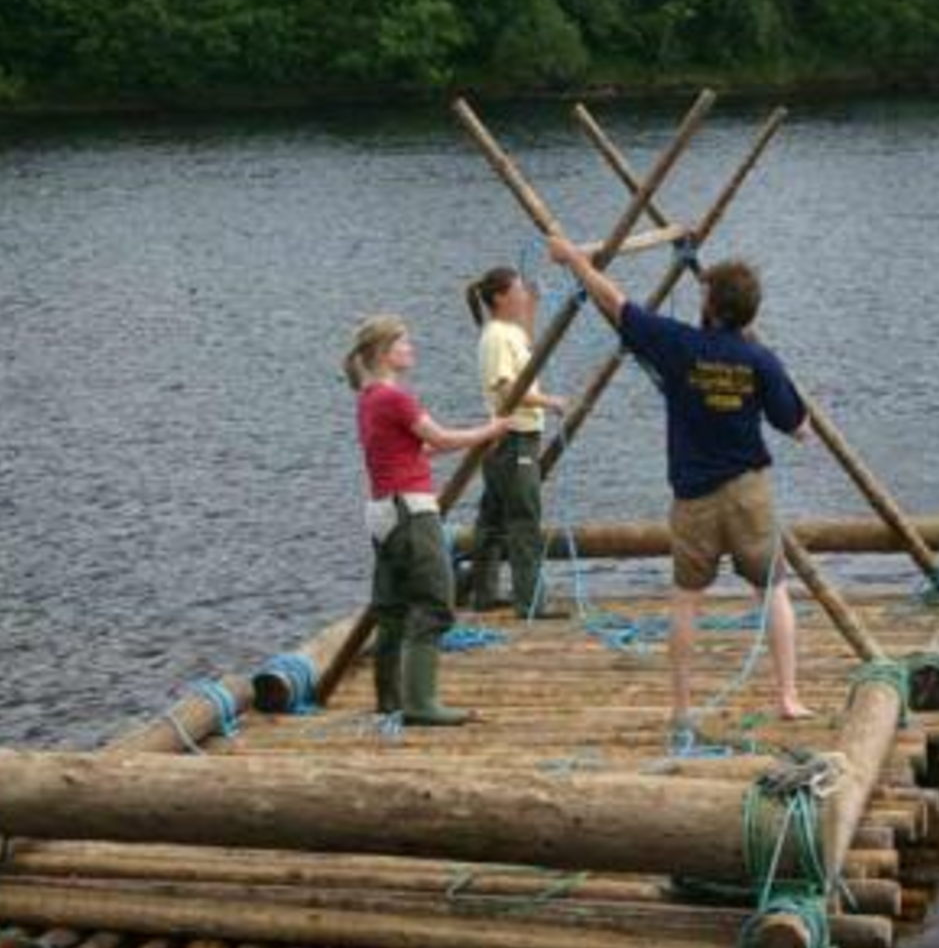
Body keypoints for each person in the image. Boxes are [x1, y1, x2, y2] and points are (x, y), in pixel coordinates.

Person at [545, 236, 813, 741]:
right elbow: (799, 427)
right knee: (773, 590)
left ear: (710, 304)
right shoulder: (760, 359)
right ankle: (788, 696)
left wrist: (577, 260)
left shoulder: (679, 344)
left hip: (694, 497)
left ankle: (683, 709)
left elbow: (615, 302)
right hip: (747, 490)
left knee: (686, 600)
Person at [346, 314, 511, 726]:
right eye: (404, 343)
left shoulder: (368, 398)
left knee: (393, 609)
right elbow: (438, 437)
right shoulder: (395, 399)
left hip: (383, 513)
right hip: (411, 513)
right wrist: (490, 430)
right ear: (385, 352)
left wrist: (477, 437)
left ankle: (390, 700)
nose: (411, 349)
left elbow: (413, 452)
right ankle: (420, 704)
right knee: (436, 603)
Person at [465, 266, 570, 619]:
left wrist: (533, 307)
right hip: (514, 439)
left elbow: (525, 346)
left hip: (510, 440)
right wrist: (550, 401)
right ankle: (531, 603)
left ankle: (484, 595)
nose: (524, 295)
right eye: (519, 290)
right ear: (499, 297)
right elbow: (507, 388)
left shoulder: (507, 332)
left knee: (492, 518)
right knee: (524, 521)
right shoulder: (495, 337)